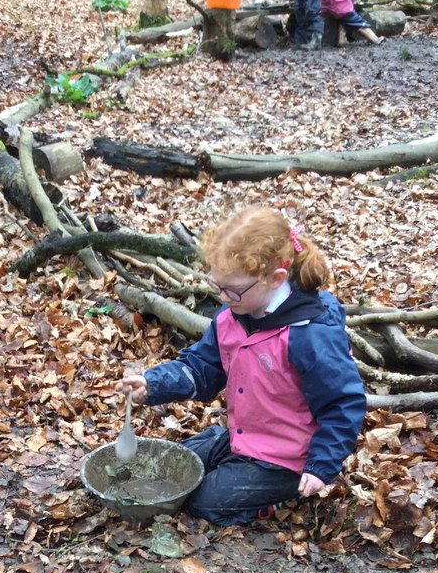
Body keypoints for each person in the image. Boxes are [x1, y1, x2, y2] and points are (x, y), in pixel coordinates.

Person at [116, 206, 366, 527]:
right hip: (245, 438)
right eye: (217, 285)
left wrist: (321, 465)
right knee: (175, 466)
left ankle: (278, 496)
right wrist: (152, 384)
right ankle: (224, 452)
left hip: (288, 459)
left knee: (205, 502)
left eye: (231, 290)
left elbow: (343, 403)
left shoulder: (310, 335)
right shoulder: (232, 316)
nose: (223, 297)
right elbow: (201, 367)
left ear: (275, 279)